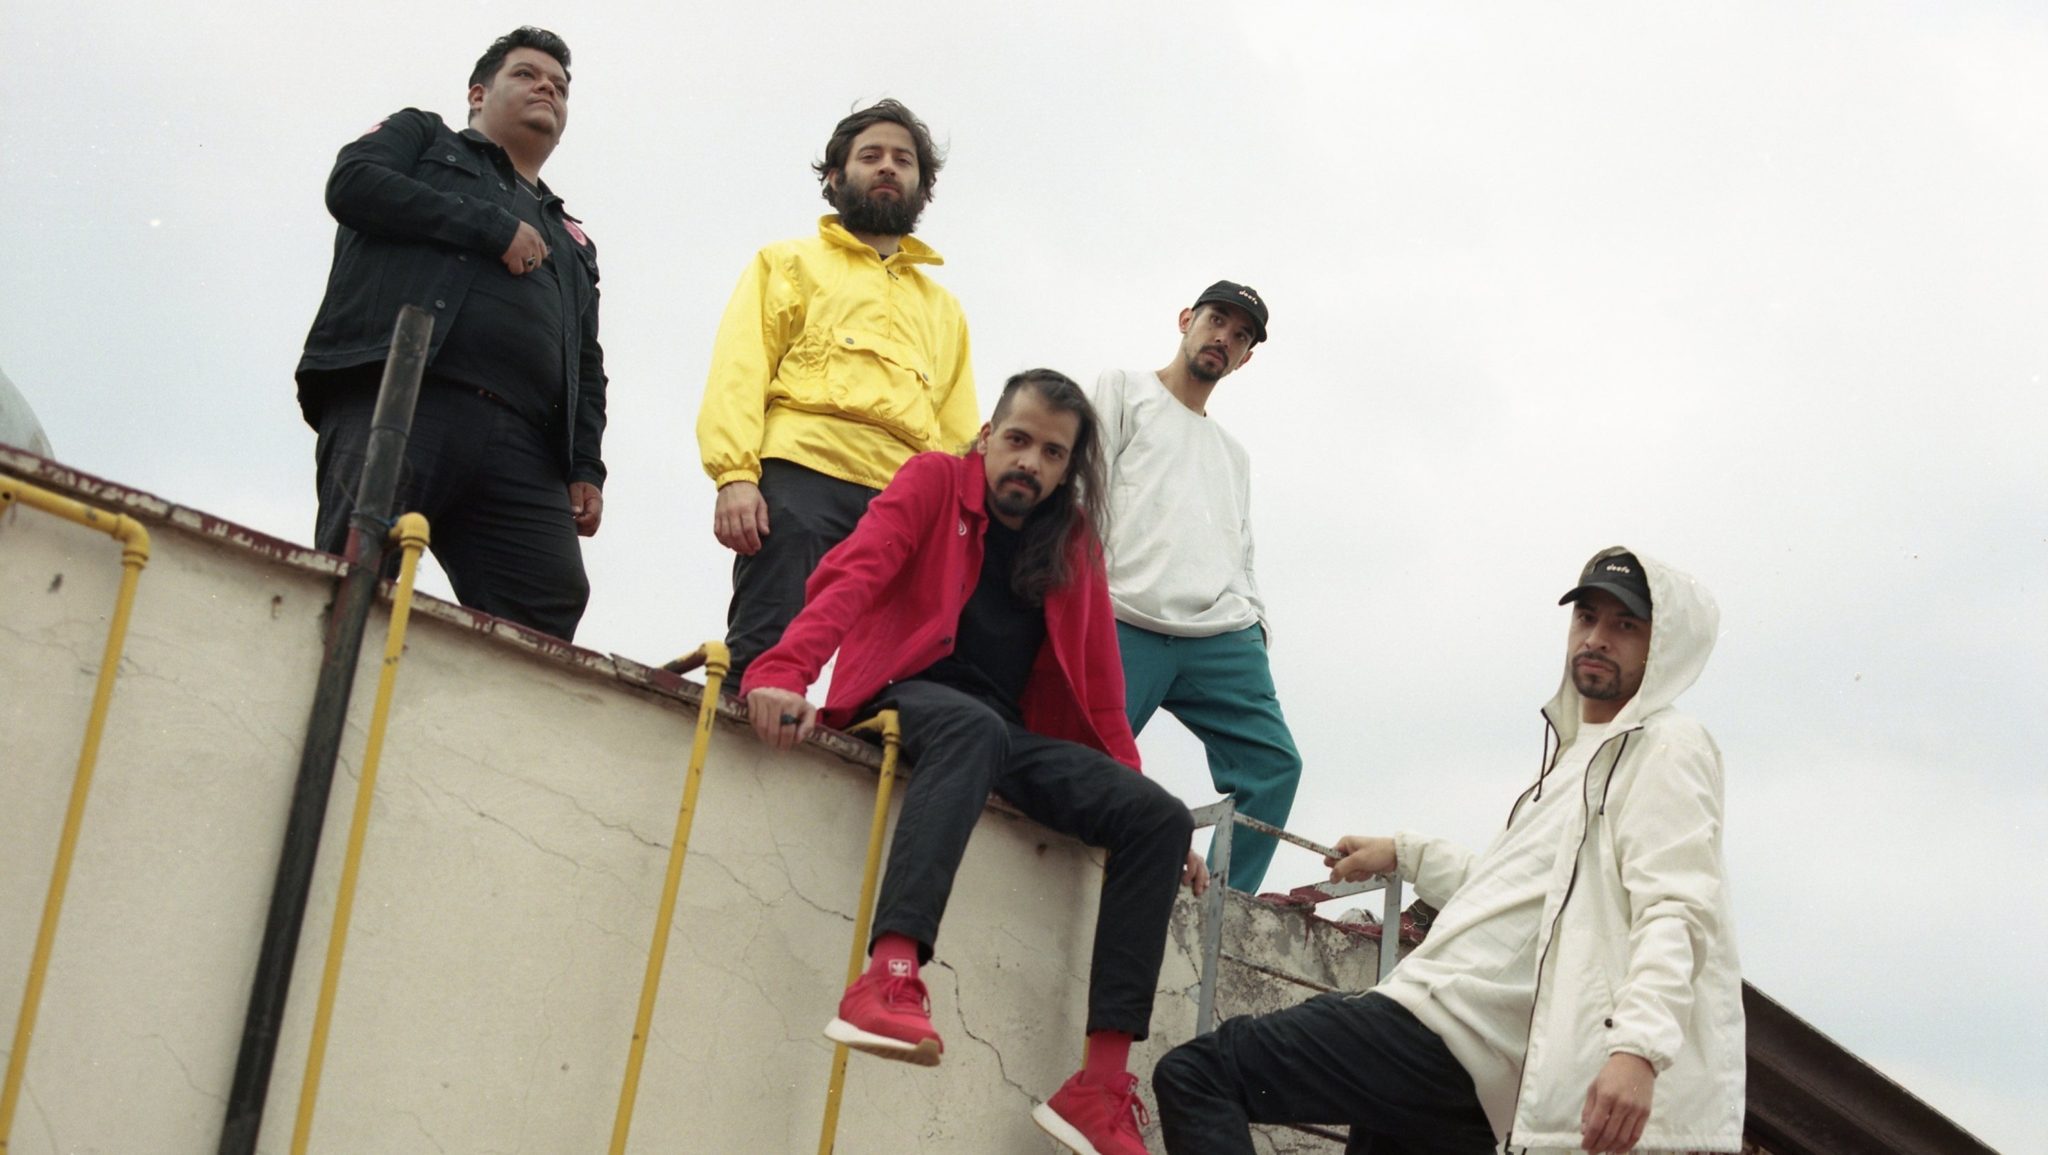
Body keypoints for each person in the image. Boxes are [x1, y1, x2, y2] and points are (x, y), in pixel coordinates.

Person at [743, 370, 1205, 1155]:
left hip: (1004, 734)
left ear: (1067, 467)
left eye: (1052, 452)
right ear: (988, 436)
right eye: (1018, 440)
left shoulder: (1072, 543)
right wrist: (784, 670)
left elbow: (1102, 691)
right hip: (908, 693)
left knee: (1158, 817)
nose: (1030, 462)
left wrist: (1139, 791)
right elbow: (854, 573)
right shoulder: (932, 482)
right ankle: (888, 974)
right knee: (973, 728)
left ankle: (1099, 1086)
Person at [1153, 548, 1746, 1155]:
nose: (1596, 638)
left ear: (1661, 647)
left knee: (1201, 1074)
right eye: (1586, 617)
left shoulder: (1665, 745)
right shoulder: (1573, 761)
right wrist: (1405, 853)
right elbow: (1512, 897)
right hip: (1475, 1078)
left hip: (1450, 1026)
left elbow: (1677, 908)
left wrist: (1638, 1049)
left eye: (1625, 625)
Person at [296, 27, 608, 641]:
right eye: (526, 74)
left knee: (548, 603)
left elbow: (586, 360)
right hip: (403, 396)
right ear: (477, 94)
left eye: (560, 85)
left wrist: (585, 465)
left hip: (525, 442)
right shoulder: (422, 137)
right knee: (359, 569)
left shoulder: (572, 237)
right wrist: (490, 227)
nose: (547, 88)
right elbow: (353, 183)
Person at [698, 99, 976, 685]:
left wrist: (955, 529)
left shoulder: (943, 309)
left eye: (903, 159)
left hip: (905, 500)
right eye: (870, 156)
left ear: (922, 187)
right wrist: (735, 476)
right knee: (765, 655)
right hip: (801, 477)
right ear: (834, 177)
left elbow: (957, 429)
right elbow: (740, 370)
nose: (887, 166)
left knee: (900, 674)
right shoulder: (787, 263)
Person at [1090, 281, 1302, 893]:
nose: (1223, 338)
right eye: (1215, 320)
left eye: (1240, 336)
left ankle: (1225, 905)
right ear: (1186, 319)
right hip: (1124, 614)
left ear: (1246, 358)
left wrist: (1256, 628)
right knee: (1083, 754)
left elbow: (1241, 551)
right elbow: (1086, 492)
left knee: (1275, 764)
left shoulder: (1233, 454)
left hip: (1219, 635)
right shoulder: (1124, 390)